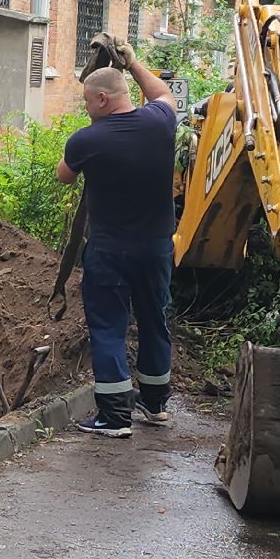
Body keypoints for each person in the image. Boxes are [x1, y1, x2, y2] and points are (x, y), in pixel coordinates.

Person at [56, 40, 180, 436]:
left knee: (108, 325)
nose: (87, 109)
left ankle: (114, 416)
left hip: (110, 250)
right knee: (153, 319)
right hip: (158, 246)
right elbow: (161, 92)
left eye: (89, 102)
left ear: (103, 99)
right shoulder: (161, 122)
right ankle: (156, 404)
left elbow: (64, 175)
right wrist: (133, 61)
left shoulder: (87, 141)